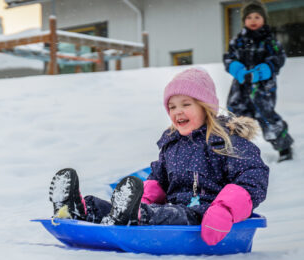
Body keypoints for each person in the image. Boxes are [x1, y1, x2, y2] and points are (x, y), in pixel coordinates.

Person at [49, 68, 269, 246]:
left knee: (165, 215)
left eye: (186, 104)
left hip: (206, 215)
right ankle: (81, 209)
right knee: (155, 212)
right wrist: (142, 199)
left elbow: (252, 178)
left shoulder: (229, 141)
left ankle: (130, 215)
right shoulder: (172, 144)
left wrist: (224, 211)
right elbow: (158, 181)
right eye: (171, 107)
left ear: (205, 107)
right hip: (172, 210)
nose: (177, 112)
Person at [223, 0, 293, 162]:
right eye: (249, 17)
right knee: (236, 118)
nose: (253, 20)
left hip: (263, 88)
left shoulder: (270, 40)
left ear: (264, 20)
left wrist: (262, 71)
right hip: (240, 87)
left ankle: (283, 147)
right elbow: (229, 58)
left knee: (266, 116)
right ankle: (238, 151)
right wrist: (238, 70)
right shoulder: (238, 40)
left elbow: (278, 58)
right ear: (244, 21)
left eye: (257, 16)